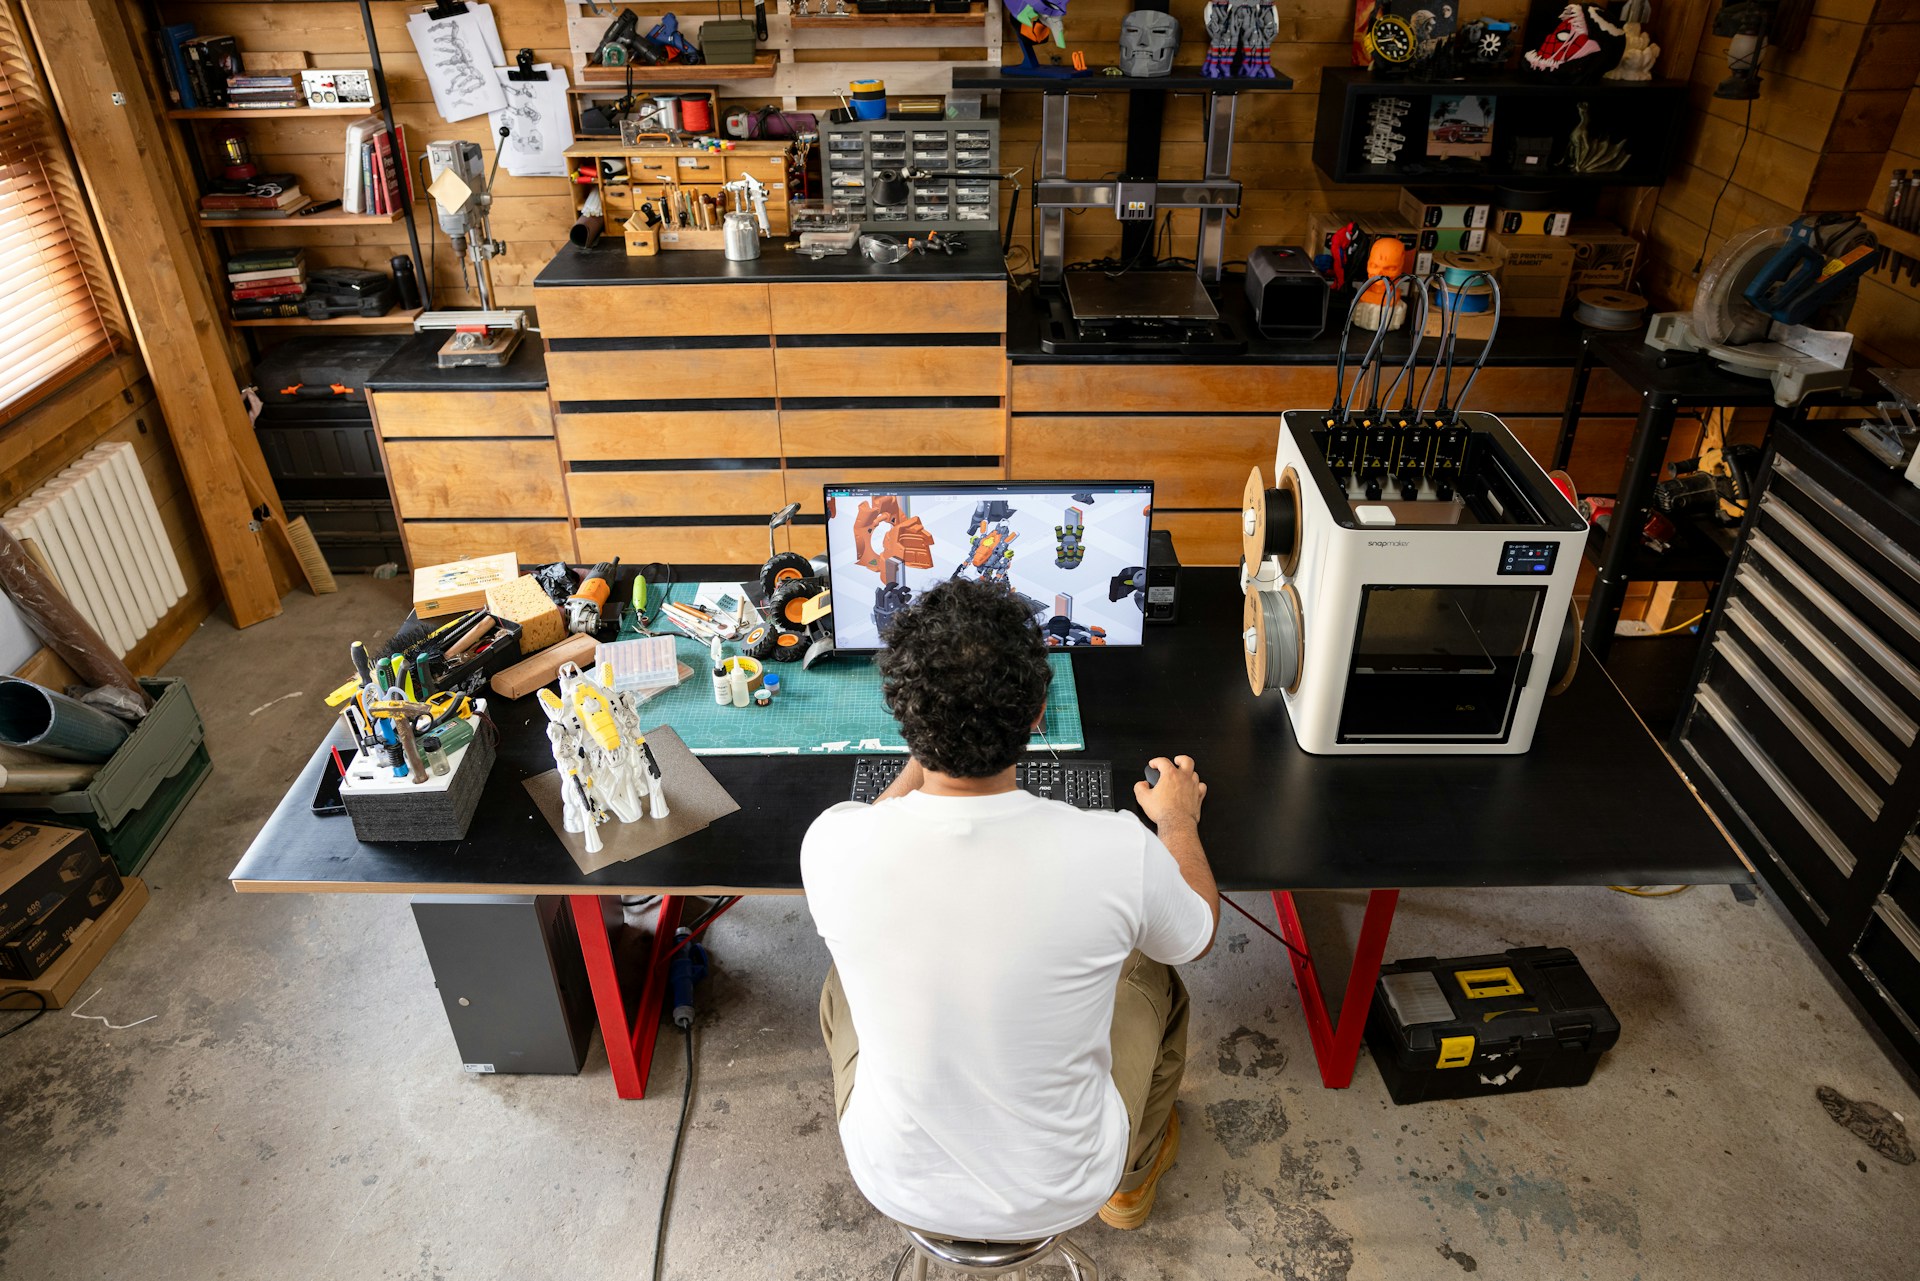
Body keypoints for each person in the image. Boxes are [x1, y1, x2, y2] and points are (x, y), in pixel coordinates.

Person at [801, 578, 1220, 1241]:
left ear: (902, 713)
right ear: (1036, 713)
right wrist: (1178, 823)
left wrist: (933, 738)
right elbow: (1196, 931)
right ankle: (1131, 1181)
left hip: (894, 1178)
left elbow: (878, 826)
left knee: (838, 978)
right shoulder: (1112, 851)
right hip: (1066, 1183)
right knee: (1154, 972)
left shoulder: (834, 845)